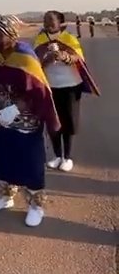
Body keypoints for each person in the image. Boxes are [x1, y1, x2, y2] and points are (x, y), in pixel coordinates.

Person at [0, 15, 60, 228]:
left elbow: (39, 91)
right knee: (3, 157)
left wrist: (17, 108)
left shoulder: (25, 57)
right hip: (2, 119)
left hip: (25, 121)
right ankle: (5, 196)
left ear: (12, 35)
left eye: (1, 34)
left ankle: (35, 206)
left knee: (30, 163)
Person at [34, 11, 100, 172]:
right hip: (50, 87)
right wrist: (47, 59)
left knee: (68, 121)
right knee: (53, 122)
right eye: (45, 20)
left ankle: (67, 157)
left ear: (60, 22)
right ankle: (57, 156)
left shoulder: (69, 38)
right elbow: (35, 62)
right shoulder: (40, 40)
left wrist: (65, 57)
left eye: (51, 20)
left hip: (70, 86)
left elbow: (79, 58)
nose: (48, 23)